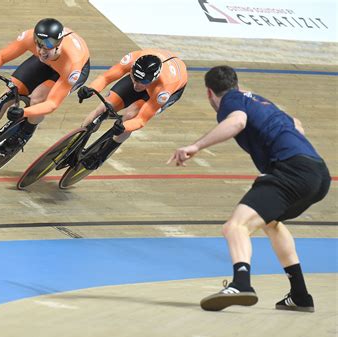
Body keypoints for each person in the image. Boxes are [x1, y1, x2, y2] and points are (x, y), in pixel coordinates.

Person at [167, 65, 331, 312]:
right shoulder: (260, 101)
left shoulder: (231, 101)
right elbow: (297, 125)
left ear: (209, 93)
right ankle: (300, 294)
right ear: (236, 84)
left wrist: (196, 146)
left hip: (291, 171)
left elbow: (238, 122)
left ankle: (241, 283)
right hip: (319, 173)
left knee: (235, 226)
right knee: (270, 222)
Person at [0, 18, 90, 152]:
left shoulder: (73, 64)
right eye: (38, 43)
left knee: (38, 98)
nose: (41, 50)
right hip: (46, 62)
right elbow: (1, 56)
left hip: (66, 70)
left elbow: (52, 104)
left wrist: (23, 112)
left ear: (59, 43)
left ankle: (24, 133)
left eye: (48, 45)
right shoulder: (30, 39)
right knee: (10, 91)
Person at [76, 49, 188, 170]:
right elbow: (106, 77)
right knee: (102, 108)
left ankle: (102, 155)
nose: (136, 85)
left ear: (154, 78)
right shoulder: (134, 58)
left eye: (142, 82)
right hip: (147, 76)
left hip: (165, 90)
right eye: (134, 78)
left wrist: (125, 127)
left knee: (130, 116)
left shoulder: (165, 88)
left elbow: (141, 120)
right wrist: (91, 89)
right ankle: (75, 143)